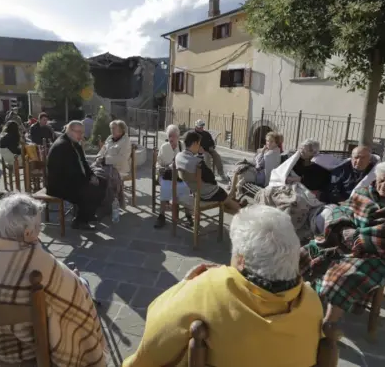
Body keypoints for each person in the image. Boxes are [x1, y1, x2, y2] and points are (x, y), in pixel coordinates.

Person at [123, 205, 324, 367]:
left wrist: (185, 285)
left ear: (242, 260)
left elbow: (154, 340)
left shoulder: (206, 288)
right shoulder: (311, 301)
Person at [0, 194, 107, 366]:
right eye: (39, 227)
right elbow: (73, 295)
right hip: (24, 352)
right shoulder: (38, 260)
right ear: (27, 233)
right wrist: (77, 280)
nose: (39, 232)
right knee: (82, 288)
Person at [300, 160, 385, 326]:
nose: (384, 185)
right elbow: (342, 209)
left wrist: (357, 237)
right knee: (304, 252)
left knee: (342, 276)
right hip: (346, 243)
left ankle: (329, 324)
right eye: (381, 180)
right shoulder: (364, 192)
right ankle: (300, 305)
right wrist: (343, 229)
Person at [47, 121, 107, 231]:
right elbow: (70, 173)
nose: (81, 135)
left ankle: (88, 213)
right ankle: (80, 221)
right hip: (59, 185)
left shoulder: (74, 143)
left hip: (72, 180)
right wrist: (87, 181)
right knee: (91, 190)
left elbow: (84, 163)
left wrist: (91, 176)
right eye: (78, 132)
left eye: (82, 132)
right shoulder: (62, 146)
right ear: (69, 130)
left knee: (102, 182)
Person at [175, 131, 241, 214]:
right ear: (195, 143)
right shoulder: (197, 162)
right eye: (199, 144)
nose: (199, 146)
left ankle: (232, 199)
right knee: (223, 195)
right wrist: (201, 156)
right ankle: (240, 211)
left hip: (191, 191)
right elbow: (211, 178)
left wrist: (199, 155)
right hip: (204, 194)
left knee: (223, 197)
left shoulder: (178, 156)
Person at [155, 125, 193, 228]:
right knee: (165, 186)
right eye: (169, 136)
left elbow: (188, 162)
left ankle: (188, 214)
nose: (171, 138)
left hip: (179, 175)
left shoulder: (183, 147)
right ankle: (161, 215)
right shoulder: (164, 147)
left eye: (173, 136)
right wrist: (161, 168)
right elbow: (158, 163)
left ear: (178, 136)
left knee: (186, 186)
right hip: (166, 175)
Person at [92, 120, 132, 214]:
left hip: (119, 168)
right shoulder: (110, 138)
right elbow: (102, 150)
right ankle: (98, 200)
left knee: (104, 177)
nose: (112, 130)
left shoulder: (126, 141)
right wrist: (98, 157)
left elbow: (122, 158)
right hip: (106, 165)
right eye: (111, 128)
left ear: (121, 130)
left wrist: (106, 160)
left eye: (114, 128)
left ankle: (108, 203)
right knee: (93, 173)